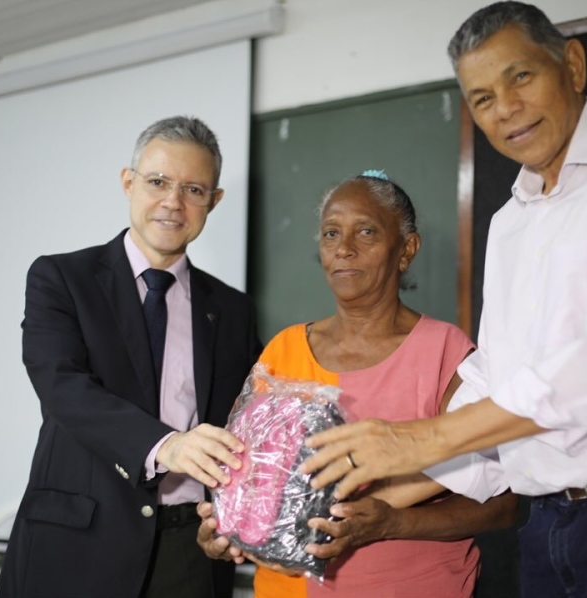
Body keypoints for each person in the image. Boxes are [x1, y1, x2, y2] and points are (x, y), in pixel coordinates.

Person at [301, 3, 587, 597]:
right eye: (482, 98)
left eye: (520, 77)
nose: (506, 108)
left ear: (572, 65)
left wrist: (419, 440)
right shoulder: (511, 222)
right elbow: (497, 379)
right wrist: (380, 499)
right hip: (548, 525)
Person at [197, 172, 517, 598]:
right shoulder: (283, 350)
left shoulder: (446, 352)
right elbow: (247, 479)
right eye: (331, 233)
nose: (344, 248)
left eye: (366, 231)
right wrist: (225, 527)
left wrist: (394, 522)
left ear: (407, 249)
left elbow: (503, 505)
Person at [0, 116, 262, 598]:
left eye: (194, 190)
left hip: (191, 550)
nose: (173, 202)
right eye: (158, 182)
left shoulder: (232, 309)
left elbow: (247, 423)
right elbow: (62, 387)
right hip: (77, 546)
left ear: (214, 200)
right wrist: (166, 446)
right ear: (128, 182)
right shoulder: (62, 279)